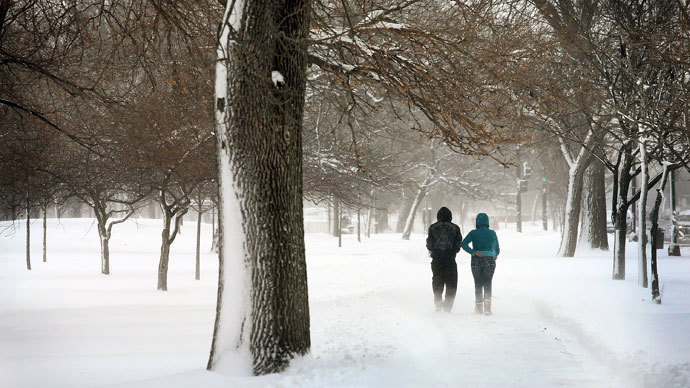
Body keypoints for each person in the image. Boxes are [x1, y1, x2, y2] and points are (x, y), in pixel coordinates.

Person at [461, 213, 500, 315]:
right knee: (488, 282)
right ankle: (487, 308)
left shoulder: (473, 233)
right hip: (490, 260)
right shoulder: (492, 233)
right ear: (487, 222)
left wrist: (473, 252)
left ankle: (478, 308)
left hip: (476, 260)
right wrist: (495, 254)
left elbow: (463, 244)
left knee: (478, 283)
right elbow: (497, 248)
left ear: (477, 222)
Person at [426, 207, 462, 313]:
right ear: (450, 216)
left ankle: (438, 302)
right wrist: (454, 250)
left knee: (437, 280)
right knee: (452, 282)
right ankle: (448, 306)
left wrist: (433, 250)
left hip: (437, 260)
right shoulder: (455, 228)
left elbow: (429, 243)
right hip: (450, 259)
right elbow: (458, 242)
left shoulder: (432, 227)